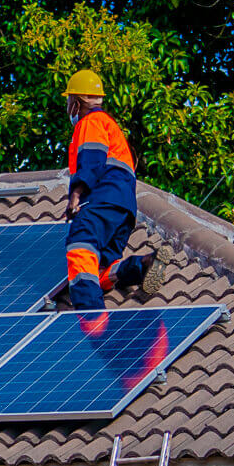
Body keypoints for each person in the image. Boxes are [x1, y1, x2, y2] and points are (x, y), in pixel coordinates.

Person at [62, 70, 172, 313]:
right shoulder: (112, 127)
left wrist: (76, 196)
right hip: (123, 210)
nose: (67, 106)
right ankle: (144, 264)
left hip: (100, 199)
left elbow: (92, 160)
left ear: (77, 102)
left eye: (69, 100)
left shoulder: (90, 122)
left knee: (80, 247)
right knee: (101, 271)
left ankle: (90, 314)